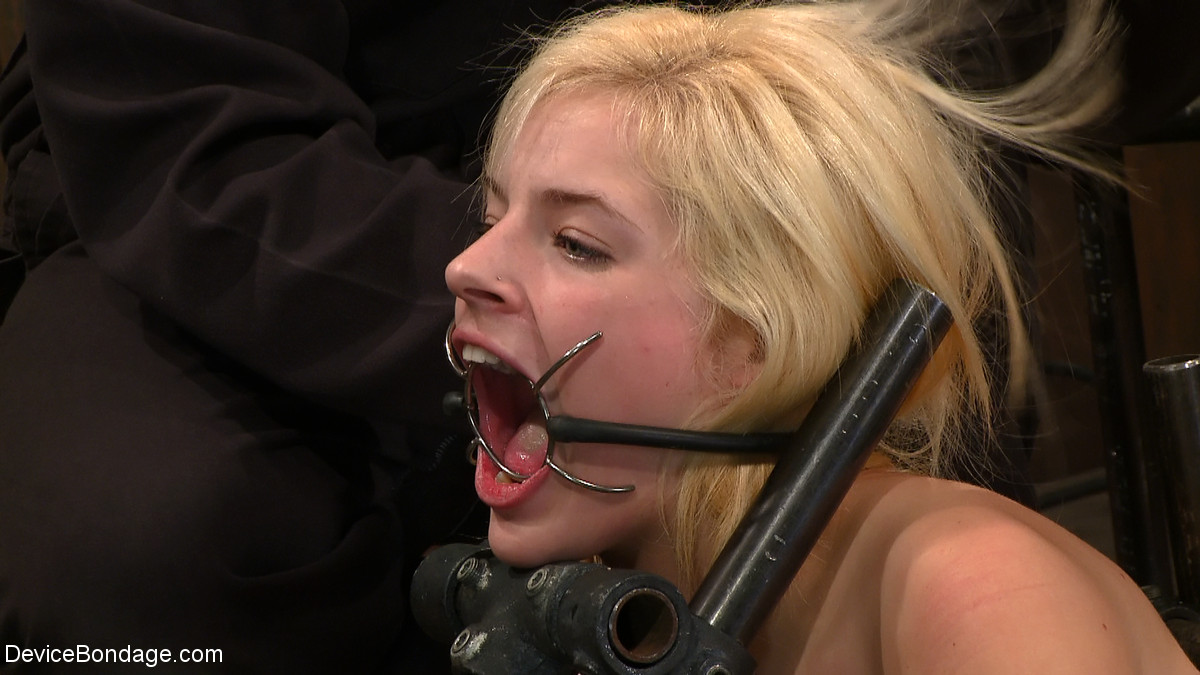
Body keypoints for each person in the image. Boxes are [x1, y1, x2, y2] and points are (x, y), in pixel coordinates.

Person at [442, 1, 1200, 672]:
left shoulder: (979, 588)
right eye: (490, 218)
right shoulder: (610, 597)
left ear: (759, 334)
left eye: (575, 243)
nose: (466, 267)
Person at [0, 1, 655, 672]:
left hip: (645, 224)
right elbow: (189, 138)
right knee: (130, 547)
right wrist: (538, 274)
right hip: (194, 219)